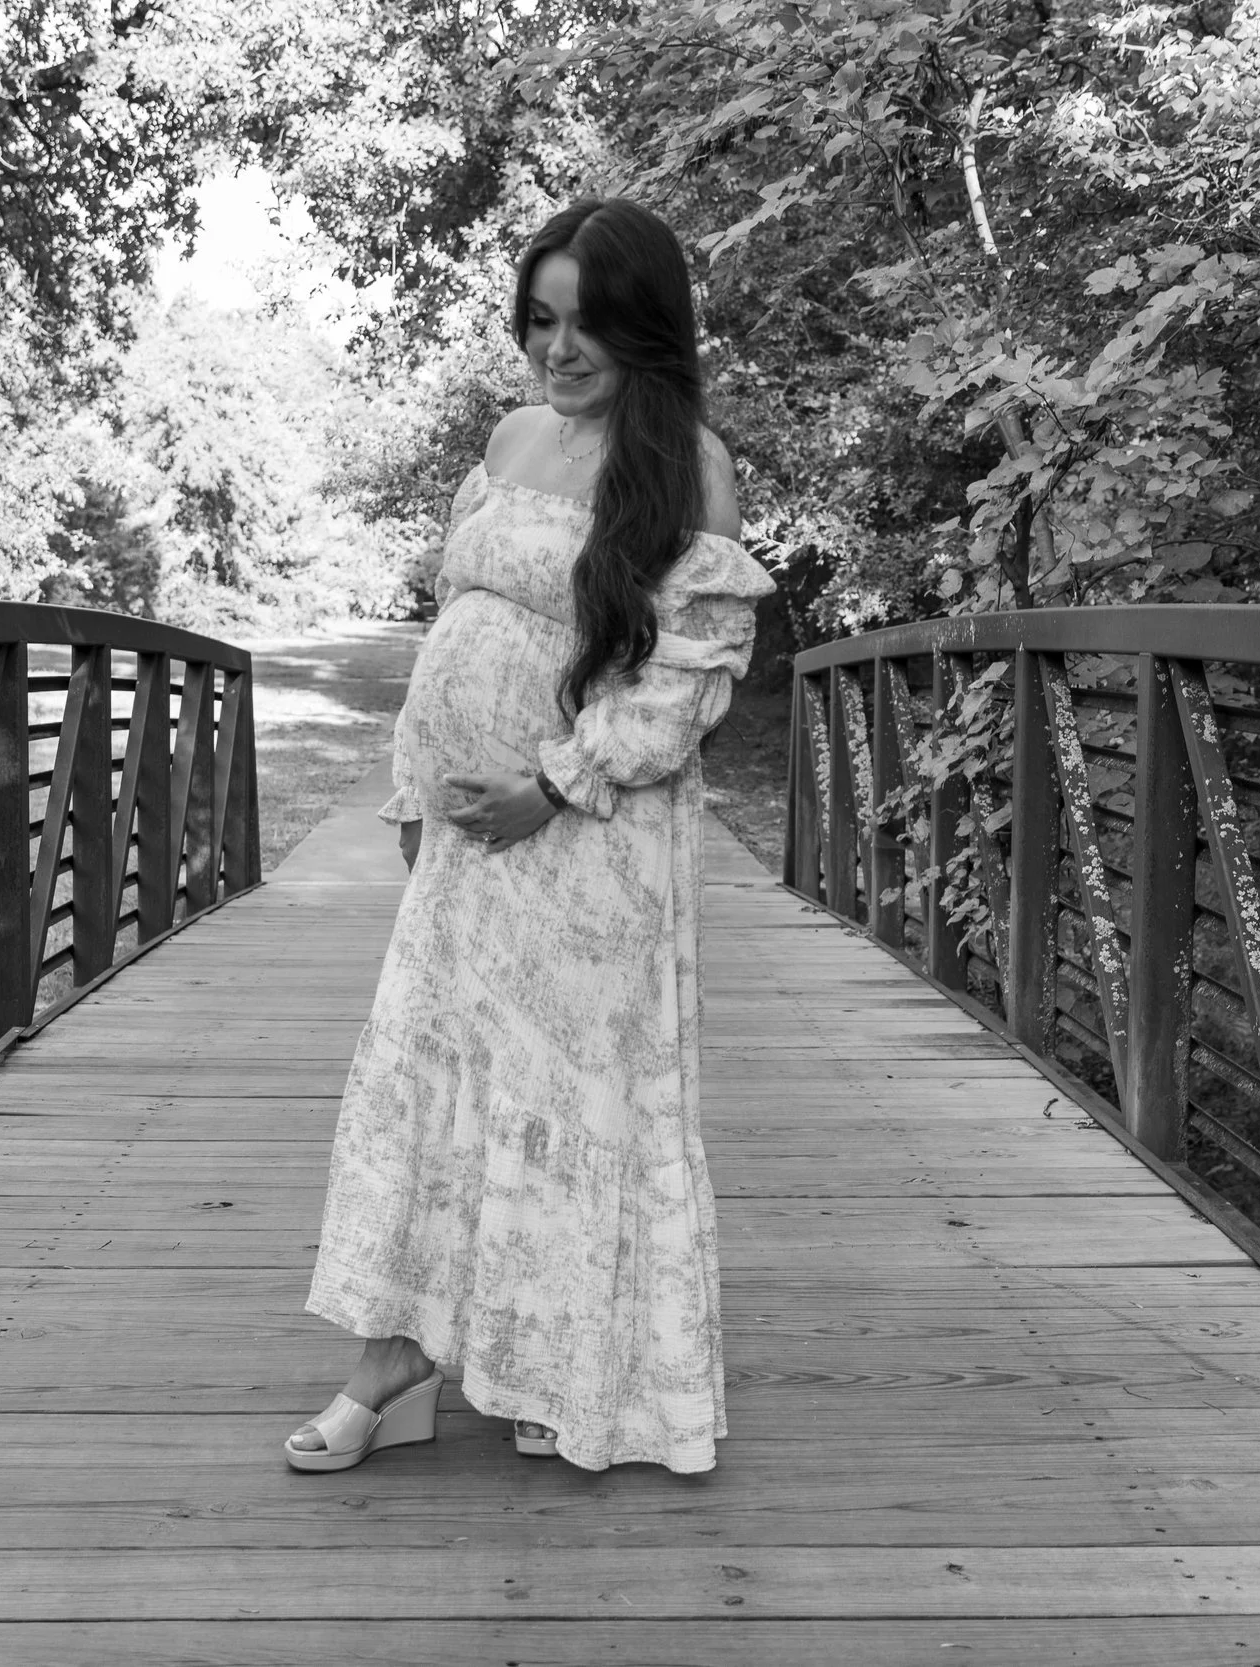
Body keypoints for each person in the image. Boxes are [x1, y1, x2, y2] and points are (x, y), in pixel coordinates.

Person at [285, 199, 773, 1476]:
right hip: (464, 835)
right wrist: (412, 792)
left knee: (569, 1095)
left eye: (587, 325)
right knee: (439, 1082)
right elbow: (454, 625)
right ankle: (392, 1367)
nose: (557, 350)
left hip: (588, 836)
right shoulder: (507, 437)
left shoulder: (687, 468)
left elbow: (687, 677)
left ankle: (565, 1368)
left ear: (644, 330)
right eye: (539, 319)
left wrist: (552, 786)